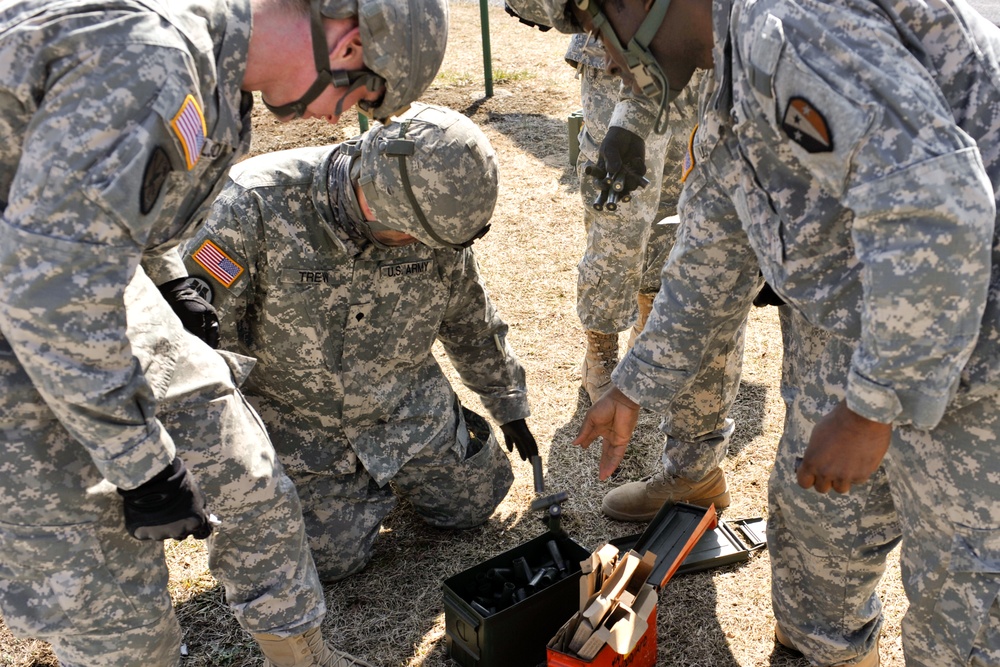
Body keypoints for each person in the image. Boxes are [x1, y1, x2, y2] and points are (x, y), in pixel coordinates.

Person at [506, 0, 1000, 665]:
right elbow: (715, 246)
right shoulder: (736, 63)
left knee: (966, 610)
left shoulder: (789, 27)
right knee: (813, 538)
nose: (614, 64)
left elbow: (938, 205)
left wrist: (870, 407)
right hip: (859, 323)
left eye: (600, 32)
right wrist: (634, 386)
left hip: (978, 335)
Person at [0, 0, 447, 665]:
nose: (335, 118)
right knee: (111, 598)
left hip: (64, 268)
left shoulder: (218, 70)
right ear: (350, 46)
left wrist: (169, 274)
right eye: (361, 97)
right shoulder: (156, 61)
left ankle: (300, 655)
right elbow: (47, 292)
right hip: (39, 293)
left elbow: (99, 207)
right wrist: (141, 464)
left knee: (247, 474)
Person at [178, 103, 537, 583]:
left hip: (403, 404)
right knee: (329, 562)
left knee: (474, 505)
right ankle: (345, 492)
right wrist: (212, 464)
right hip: (300, 423)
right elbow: (193, 345)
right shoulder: (252, 207)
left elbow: (469, 318)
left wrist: (508, 401)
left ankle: (387, 477)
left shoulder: (434, 222)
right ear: (374, 200)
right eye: (407, 235)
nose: (418, 246)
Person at [564, 33, 738, 520]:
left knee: (679, 223)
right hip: (621, 56)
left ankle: (653, 341)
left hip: (698, 59)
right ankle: (604, 351)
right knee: (618, 223)